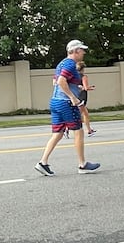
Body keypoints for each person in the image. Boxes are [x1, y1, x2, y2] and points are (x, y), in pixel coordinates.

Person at [34, 40, 100, 176]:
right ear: (75, 51)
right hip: (66, 104)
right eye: (82, 50)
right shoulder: (70, 64)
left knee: (57, 133)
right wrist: (73, 97)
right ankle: (83, 165)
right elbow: (61, 81)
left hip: (55, 102)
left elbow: (55, 82)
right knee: (78, 131)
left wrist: (77, 87)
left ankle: (43, 163)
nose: (84, 52)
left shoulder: (62, 63)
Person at [76, 61, 97, 136]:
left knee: (86, 114)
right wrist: (91, 88)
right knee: (78, 115)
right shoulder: (84, 76)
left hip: (76, 95)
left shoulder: (74, 76)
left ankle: (89, 130)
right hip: (82, 97)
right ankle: (66, 128)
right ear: (83, 68)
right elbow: (85, 88)